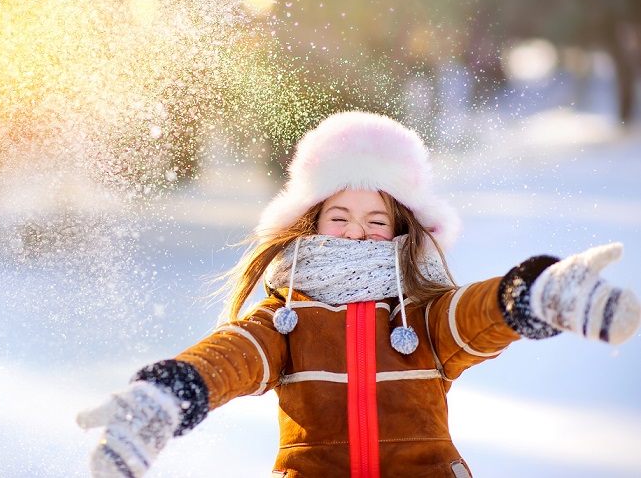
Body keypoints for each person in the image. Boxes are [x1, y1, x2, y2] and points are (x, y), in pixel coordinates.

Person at [76, 111, 641, 478]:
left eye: (376, 219)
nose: (355, 230)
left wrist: (534, 294)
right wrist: (171, 394)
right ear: (311, 224)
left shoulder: (420, 318)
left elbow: (474, 316)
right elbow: (231, 357)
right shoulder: (286, 321)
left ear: (401, 232)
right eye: (339, 215)